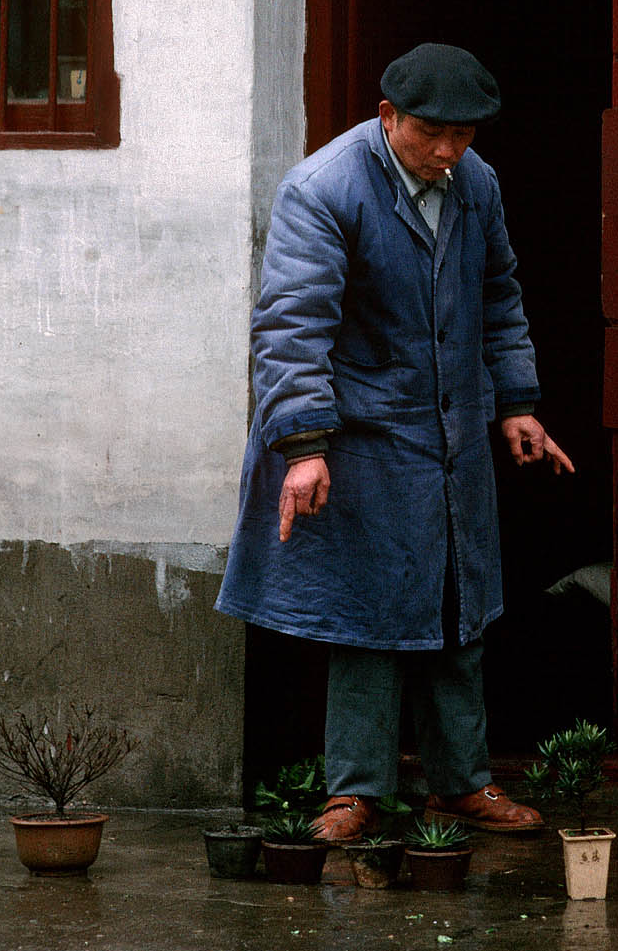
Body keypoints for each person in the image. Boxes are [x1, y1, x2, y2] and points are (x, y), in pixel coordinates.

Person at [216, 43, 574, 840]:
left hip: (448, 428)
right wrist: (304, 444)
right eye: (431, 135)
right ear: (388, 118)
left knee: (460, 608)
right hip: (361, 431)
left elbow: (499, 294)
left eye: (465, 135)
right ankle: (355, 792)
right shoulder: (324, 188)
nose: (448, 151)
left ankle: (460, 784)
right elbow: (292, 324)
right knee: (366, 616)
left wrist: (515, 401)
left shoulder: (475, 185)